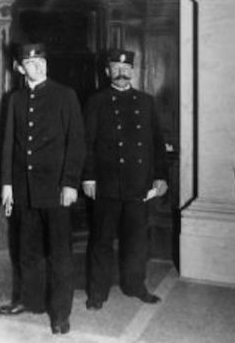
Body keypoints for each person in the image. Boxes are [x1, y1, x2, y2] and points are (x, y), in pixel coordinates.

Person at [0, 43, 85, 335]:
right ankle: (28, 301)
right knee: (27, 251)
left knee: (60, 255)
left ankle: (60, 314)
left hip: (56, 189)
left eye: (41, 61)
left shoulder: (65, 95)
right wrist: (7, 185)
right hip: (23, 190)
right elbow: (8, 144)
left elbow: (76, 143)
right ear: (19, 68)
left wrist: (70, 182)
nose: (37, 66)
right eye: (30, 63)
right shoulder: (15, 99)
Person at [82, 48, 168, 310]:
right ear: (107, 72)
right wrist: (88, 178)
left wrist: (160, 176)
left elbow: (157, 143)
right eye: (116, 69)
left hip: (137, 184)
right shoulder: (95, 102)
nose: (121, 73)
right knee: (101, 241)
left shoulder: (146, 101)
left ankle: (135, 285)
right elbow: (86, 144)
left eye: (126, 69)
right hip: (106, 185)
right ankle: (97, 293)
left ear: (133, 71)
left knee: (136, 240)